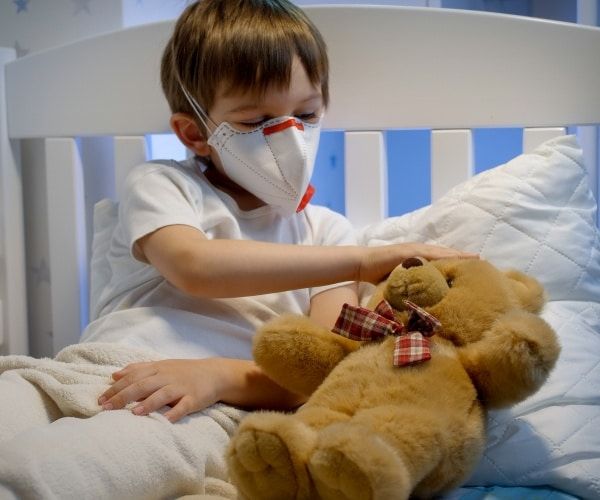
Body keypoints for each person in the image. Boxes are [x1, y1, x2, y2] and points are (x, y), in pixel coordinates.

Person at [0, 0, 477, 498]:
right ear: (195, 133)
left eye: (307, 114)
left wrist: (216, 377)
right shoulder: (163, 184)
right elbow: (195, 267)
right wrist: (362, 263)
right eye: (254, 123)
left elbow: (315, 371)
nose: (289, 138)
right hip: (90, 367)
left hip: (207, 409)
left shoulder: (327, 234)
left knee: (55, 471)